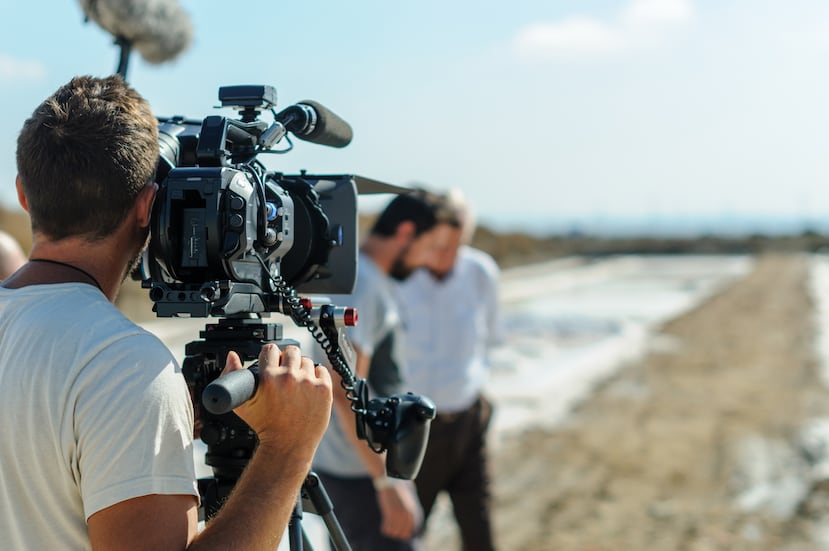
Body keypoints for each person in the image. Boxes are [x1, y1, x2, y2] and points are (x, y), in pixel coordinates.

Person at [0, 75, 333, 550]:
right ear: (148, 206)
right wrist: (288, 448)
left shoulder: (117, 370)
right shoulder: (123, 366)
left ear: (23, 194)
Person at [312, 189, 461, 550]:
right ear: (406, 233)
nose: (429, 260)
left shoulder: (365, 279)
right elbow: (344, 388)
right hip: (359, 474)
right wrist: (386, 483)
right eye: (430, 246)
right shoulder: (361, 285)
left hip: (359, 468)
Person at [394, 190, 502, 551]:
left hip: (470, 421)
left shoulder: (481, 272)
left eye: (457, 245)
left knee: (481, 532)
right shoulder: (400, 277)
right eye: (440, 245)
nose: (447, 255)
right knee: (405, 535)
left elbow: (491, 339)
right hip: (416, 431)